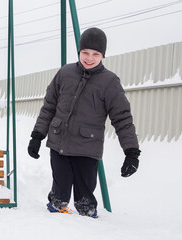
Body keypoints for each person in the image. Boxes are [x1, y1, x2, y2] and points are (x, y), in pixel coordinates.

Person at [27, 27, 140, 218]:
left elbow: (122, 118)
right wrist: (37, 136)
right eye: (85, 53)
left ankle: (88, 225)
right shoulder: (65, 73)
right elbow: (49, 107)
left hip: (87, 149)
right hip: (59, 144)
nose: (89, 58)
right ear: (79, 52)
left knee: (85, 200)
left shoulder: (109, 82)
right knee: (59, 194)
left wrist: (131, 152)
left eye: (95, 54)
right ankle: (53, 221)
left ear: (102, 55)